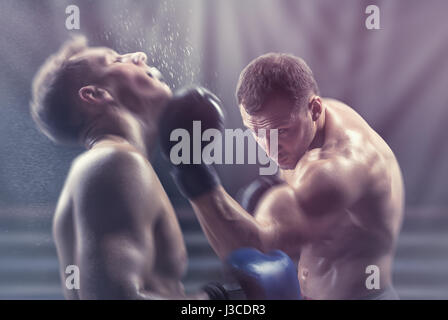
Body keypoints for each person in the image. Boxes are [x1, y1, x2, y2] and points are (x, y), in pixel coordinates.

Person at [30, 37, 300, 300]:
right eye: (116, 59)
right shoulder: (115, 162)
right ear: (95, 94)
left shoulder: (109, 165)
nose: (139, 56)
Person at [159, 53, 404, 300]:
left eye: (281, 131)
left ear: (315, 109)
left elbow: (254, 255)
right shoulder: (306, 119)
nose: (269, 147)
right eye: (255, 132)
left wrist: (192, 172)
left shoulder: (336, 169)